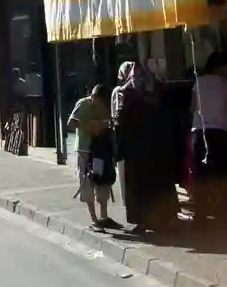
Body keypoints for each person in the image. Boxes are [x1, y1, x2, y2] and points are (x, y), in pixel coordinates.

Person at [114, 61, 178, 233]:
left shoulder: (128, 91)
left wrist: (119, 146)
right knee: (160, 181)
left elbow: (122, 119)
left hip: (136, 146)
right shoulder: (157, 88)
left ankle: (141, 221)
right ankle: (166, 218)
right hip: (158, 144)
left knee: (138, 185)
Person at [190, 52, 227, 224]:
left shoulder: (198, 82)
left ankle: (201, 213)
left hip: (199, 131)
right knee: (223, 173)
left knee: (201, 174)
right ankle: (225, 211)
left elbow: (192, 108)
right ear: (221, 67)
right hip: (221, 132)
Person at [68, 83, 117, 230]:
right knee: (87, 182)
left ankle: (104, 216)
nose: (100, 104)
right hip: (85, 149)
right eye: (98, 100)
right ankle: (94, 220)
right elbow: (71, 122)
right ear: (93, 96)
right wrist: (90, 127)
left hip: (100, 149)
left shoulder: (103, 108)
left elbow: (108, 122)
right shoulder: (83, 104)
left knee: (103, 180)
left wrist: (105, 127)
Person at [111, 62, 134, 205]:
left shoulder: (132, 90)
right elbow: (116, 117)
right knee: (124, 169)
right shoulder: (120, 91)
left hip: (127, 136)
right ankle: (127, 201)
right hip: (123, 136)